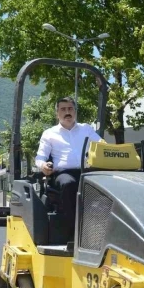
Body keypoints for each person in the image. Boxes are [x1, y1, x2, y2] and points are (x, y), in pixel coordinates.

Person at [35, 96, 102, 240]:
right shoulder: (49, 134)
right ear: (57, 113)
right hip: (63, 174)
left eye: (70, 108)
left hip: (87, 171)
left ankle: (101, 232)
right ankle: (74, 234)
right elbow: (40, 158)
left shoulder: (86, 129)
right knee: (69, 184)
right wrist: (43, 166)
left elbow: (102, 145)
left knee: (105, 185)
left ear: (75, 111)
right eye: (63, 109)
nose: (67, 112)